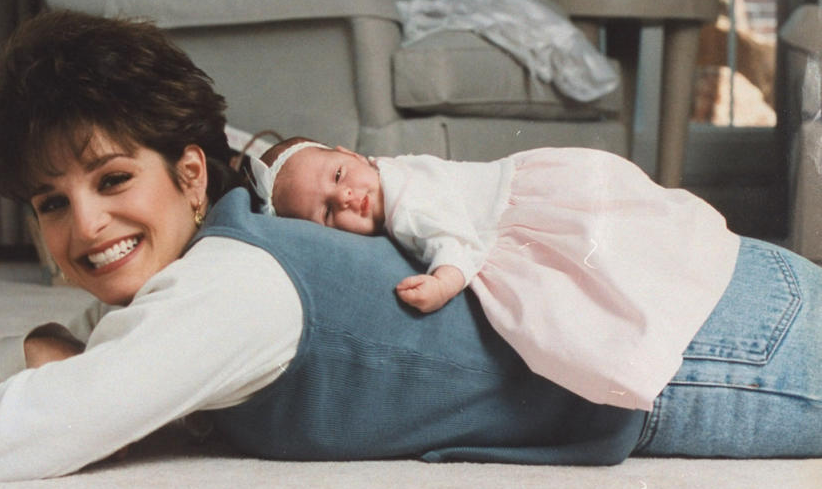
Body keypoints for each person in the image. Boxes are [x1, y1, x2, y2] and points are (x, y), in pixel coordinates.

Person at [0, 10, 822, 482]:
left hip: (719, 352)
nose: (85, 225)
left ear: (193, 174)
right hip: (706, 307)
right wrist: (50, 346)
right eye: (51, 202)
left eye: (113, 180)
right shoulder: (200, 275)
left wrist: (58, 358)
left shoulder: (229, 290)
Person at [248, 138, 739, 411]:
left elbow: (455, 240)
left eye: (338, 177)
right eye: (331, 214)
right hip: (536, 186)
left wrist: (444, 280)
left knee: (569, 316)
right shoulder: (384, 169)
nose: (348, 198)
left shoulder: (403, 204)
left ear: (349, 154)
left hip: (519, 214)